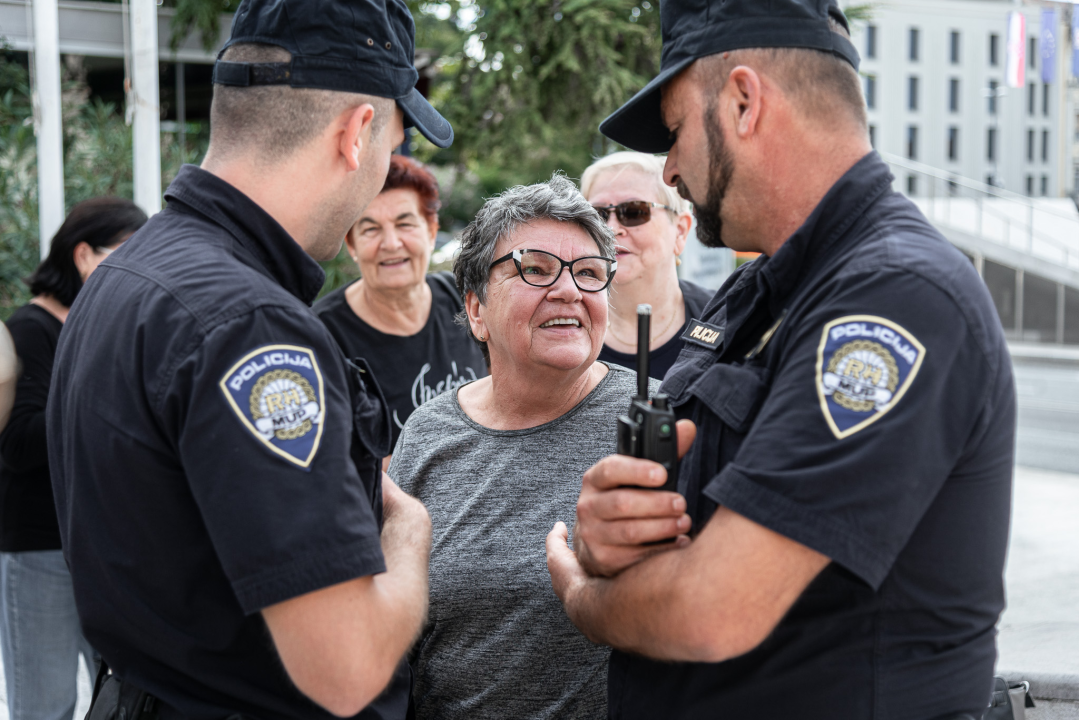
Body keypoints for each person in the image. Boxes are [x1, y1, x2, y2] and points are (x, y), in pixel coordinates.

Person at [546, 2, 1015, 720]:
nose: (669, 170)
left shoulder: (892, 297)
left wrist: (584, 596)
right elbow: (673, 516)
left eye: (673, 135)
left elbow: (711, 609)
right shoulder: (757, 292)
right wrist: (610, 534)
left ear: (743, 100)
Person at [46, 0, 454, 716]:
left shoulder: (129, 273)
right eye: (393, 143)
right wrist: (410, 534)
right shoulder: (252, 325)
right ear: (359, 133)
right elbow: (346, 667)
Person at [389, 175, 640, 720]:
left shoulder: (652, 421)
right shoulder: (429, 432)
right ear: (476, 309)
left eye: (590, 273)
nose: (570, 290)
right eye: (535, 268)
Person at [0, 197, 145, 720]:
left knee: (121, 701)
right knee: (45, 707)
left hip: (101, 547)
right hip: (42, 546)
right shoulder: (30, 329)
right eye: (131, 252)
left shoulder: (105, 323)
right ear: (84, 255)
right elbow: (17, 442)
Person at [315, 155, 487, 467]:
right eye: (370, 229)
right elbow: (333, 462)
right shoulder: (323, 335)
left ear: (431, 231)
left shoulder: (464, 298)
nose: (391, 243)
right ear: (351, 244)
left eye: (405, 224)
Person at [581, 152, 712, 380]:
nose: (611, 229)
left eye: (634, 212)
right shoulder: (564, 326)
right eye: (597, 215)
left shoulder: (723, 319)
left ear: (680, 230)